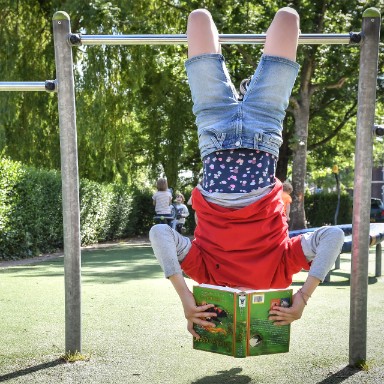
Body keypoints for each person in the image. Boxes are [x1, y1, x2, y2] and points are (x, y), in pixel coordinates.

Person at [149, 7, 344, 339]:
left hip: (233, 135)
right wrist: (302, 297)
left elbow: (159, 235)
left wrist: (302, 297)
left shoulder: (210, 277)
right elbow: (334, 237)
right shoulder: (272, 274)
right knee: (214, 19)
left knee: (280, 18)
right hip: (237, 135)